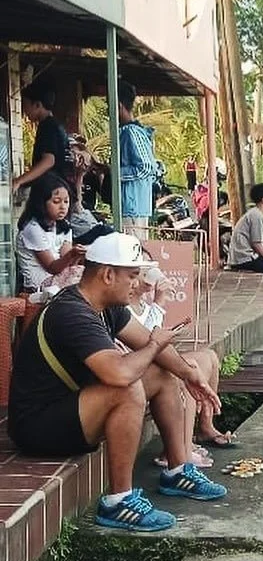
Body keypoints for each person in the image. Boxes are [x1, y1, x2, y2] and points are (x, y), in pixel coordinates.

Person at [7, 233, 227, 532]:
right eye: (133, 276)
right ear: (108, 274)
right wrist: (154, 347)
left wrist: (190, 374)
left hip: (73, 408)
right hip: (38, 427)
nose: (138, 284)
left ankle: (178, 470)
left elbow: (148, 342)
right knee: (126, 388)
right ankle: (118, 502)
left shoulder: (107, 305)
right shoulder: (71, 312)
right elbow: (120, 374)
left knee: (161, 373)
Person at [128, 265, 238, 461]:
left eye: (147, 269)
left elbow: (152, 337)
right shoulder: (120, 307)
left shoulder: (143, 305)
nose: (144, 276)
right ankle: (179, 453)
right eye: (139, 271)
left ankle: (206, 426)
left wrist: (158, 305)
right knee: (186, 370)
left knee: (208, 356)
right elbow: (145, 339)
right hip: (138, 366)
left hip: (150, 358)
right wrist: (160, 301)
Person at [15, 173, 86, 295]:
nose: (63, 207)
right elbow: (52, 268)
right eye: (56, 201)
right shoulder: (33, 229)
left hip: (60, 275)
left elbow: (68, 261)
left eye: (66, 201)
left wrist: (78, 255)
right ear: (41, 203)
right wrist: (71, 255)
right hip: (40, 285)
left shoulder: (63, 226)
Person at [12, 82, 73, 193]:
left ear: (37, 105)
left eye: (25, 105)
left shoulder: (47, 126)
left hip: (53, 190)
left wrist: (19, 181)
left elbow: (49, 161)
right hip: (62, 187)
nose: (24, 111)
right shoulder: (57, 125)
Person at [117, 80, 158, 236]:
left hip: (133, 207)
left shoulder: (131, 132)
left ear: (119, 105)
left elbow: (146, 167)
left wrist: (116, 173)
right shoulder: (128, 132)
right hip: (130, 206)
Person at [227, 183, 263, 272]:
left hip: (242, 258)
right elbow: (256, 243)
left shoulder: (255, 213)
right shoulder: (256, 216)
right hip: (245, 260)